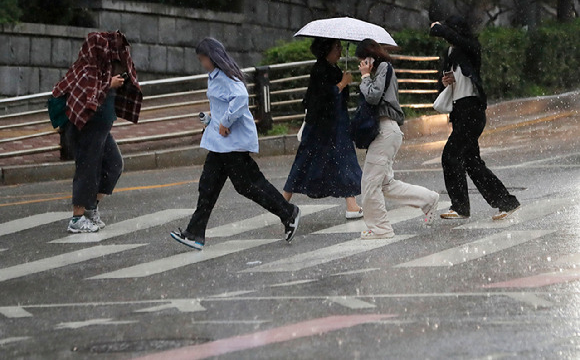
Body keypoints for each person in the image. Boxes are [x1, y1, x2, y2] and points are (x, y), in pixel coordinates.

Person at [170, 38, 300, 250]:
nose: (201, 63)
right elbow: (225, 103)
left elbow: (240, 98)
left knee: (247, 184)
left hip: (231, 144)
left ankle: (288, 213)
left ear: (212, 57)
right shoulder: (216, 76)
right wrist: (212, 121)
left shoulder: (224, 77)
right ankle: (194, 233)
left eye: (202, 59)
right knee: (208, 187)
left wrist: (225, 122)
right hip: (221, 144)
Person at [430, 16, 520, 220]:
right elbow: (451, 82)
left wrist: (441, 28)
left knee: (450, 156)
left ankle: (460, 206)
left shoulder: (470, 47)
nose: (447, 38)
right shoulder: (450, 52)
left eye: (450, 32)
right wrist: (447, 81)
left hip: (473, 110)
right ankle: (506, 202)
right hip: (459, 111)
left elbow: (461, 44)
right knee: (471, 161)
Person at [52, 31, 143, 233]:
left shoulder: (105, 69)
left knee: (114, 165)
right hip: (86, 126)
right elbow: (86, 96)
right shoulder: (86, 69)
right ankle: (77, 218)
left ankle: (90, 207)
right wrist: (108, 84)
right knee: (87, 167)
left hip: (101, 126)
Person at [356, 39, 440, 239]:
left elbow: (374, 96)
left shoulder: (384, 67)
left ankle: (381, 229)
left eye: (363, 60)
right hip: (385, 132)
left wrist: (365, 77)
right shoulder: (380, 71)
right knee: (385, 184)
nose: (361, 64)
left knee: (370, 183)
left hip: (386, 130)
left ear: (369, 56)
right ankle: (428, 200)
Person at [283, 38, 363, 219]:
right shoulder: (319, 69)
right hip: (323, 127)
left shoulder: (332, 68)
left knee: (343, 161)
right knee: (306, 162)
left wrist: (343, 83)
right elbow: (321, 98)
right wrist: (342, 84)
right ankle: (282, 202)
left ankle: (352, 204)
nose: (340, 51)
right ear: (326, 49)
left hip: (335, 125)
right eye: (337, 47)